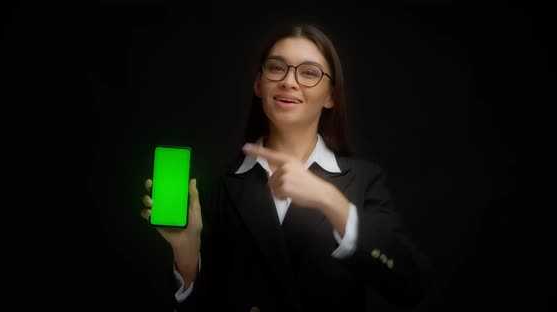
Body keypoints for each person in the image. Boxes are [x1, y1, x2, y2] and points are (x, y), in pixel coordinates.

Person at [140, 23, 434, 312]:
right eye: (277, 68)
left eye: (309, 72)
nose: (289, 81)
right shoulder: (219, 183)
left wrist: (330, 200)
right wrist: (186, 254)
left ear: (331, 95)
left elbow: (411, 286)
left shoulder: (363, 180)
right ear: (259, 84)